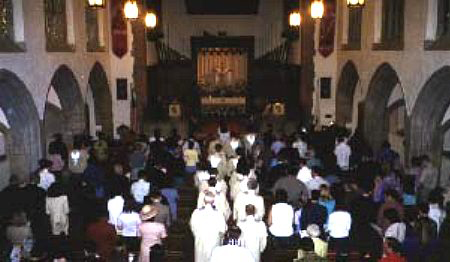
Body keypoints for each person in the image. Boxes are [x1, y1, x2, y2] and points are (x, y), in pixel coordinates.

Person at [190, 192, 227, 262]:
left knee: (200, 258)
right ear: (213, 201)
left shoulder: (196, 212)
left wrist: (197, 235)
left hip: (200, 241)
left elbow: (192, 226)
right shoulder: (218, 213)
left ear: (204, 201)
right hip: (214, 241)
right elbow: (223, 229)